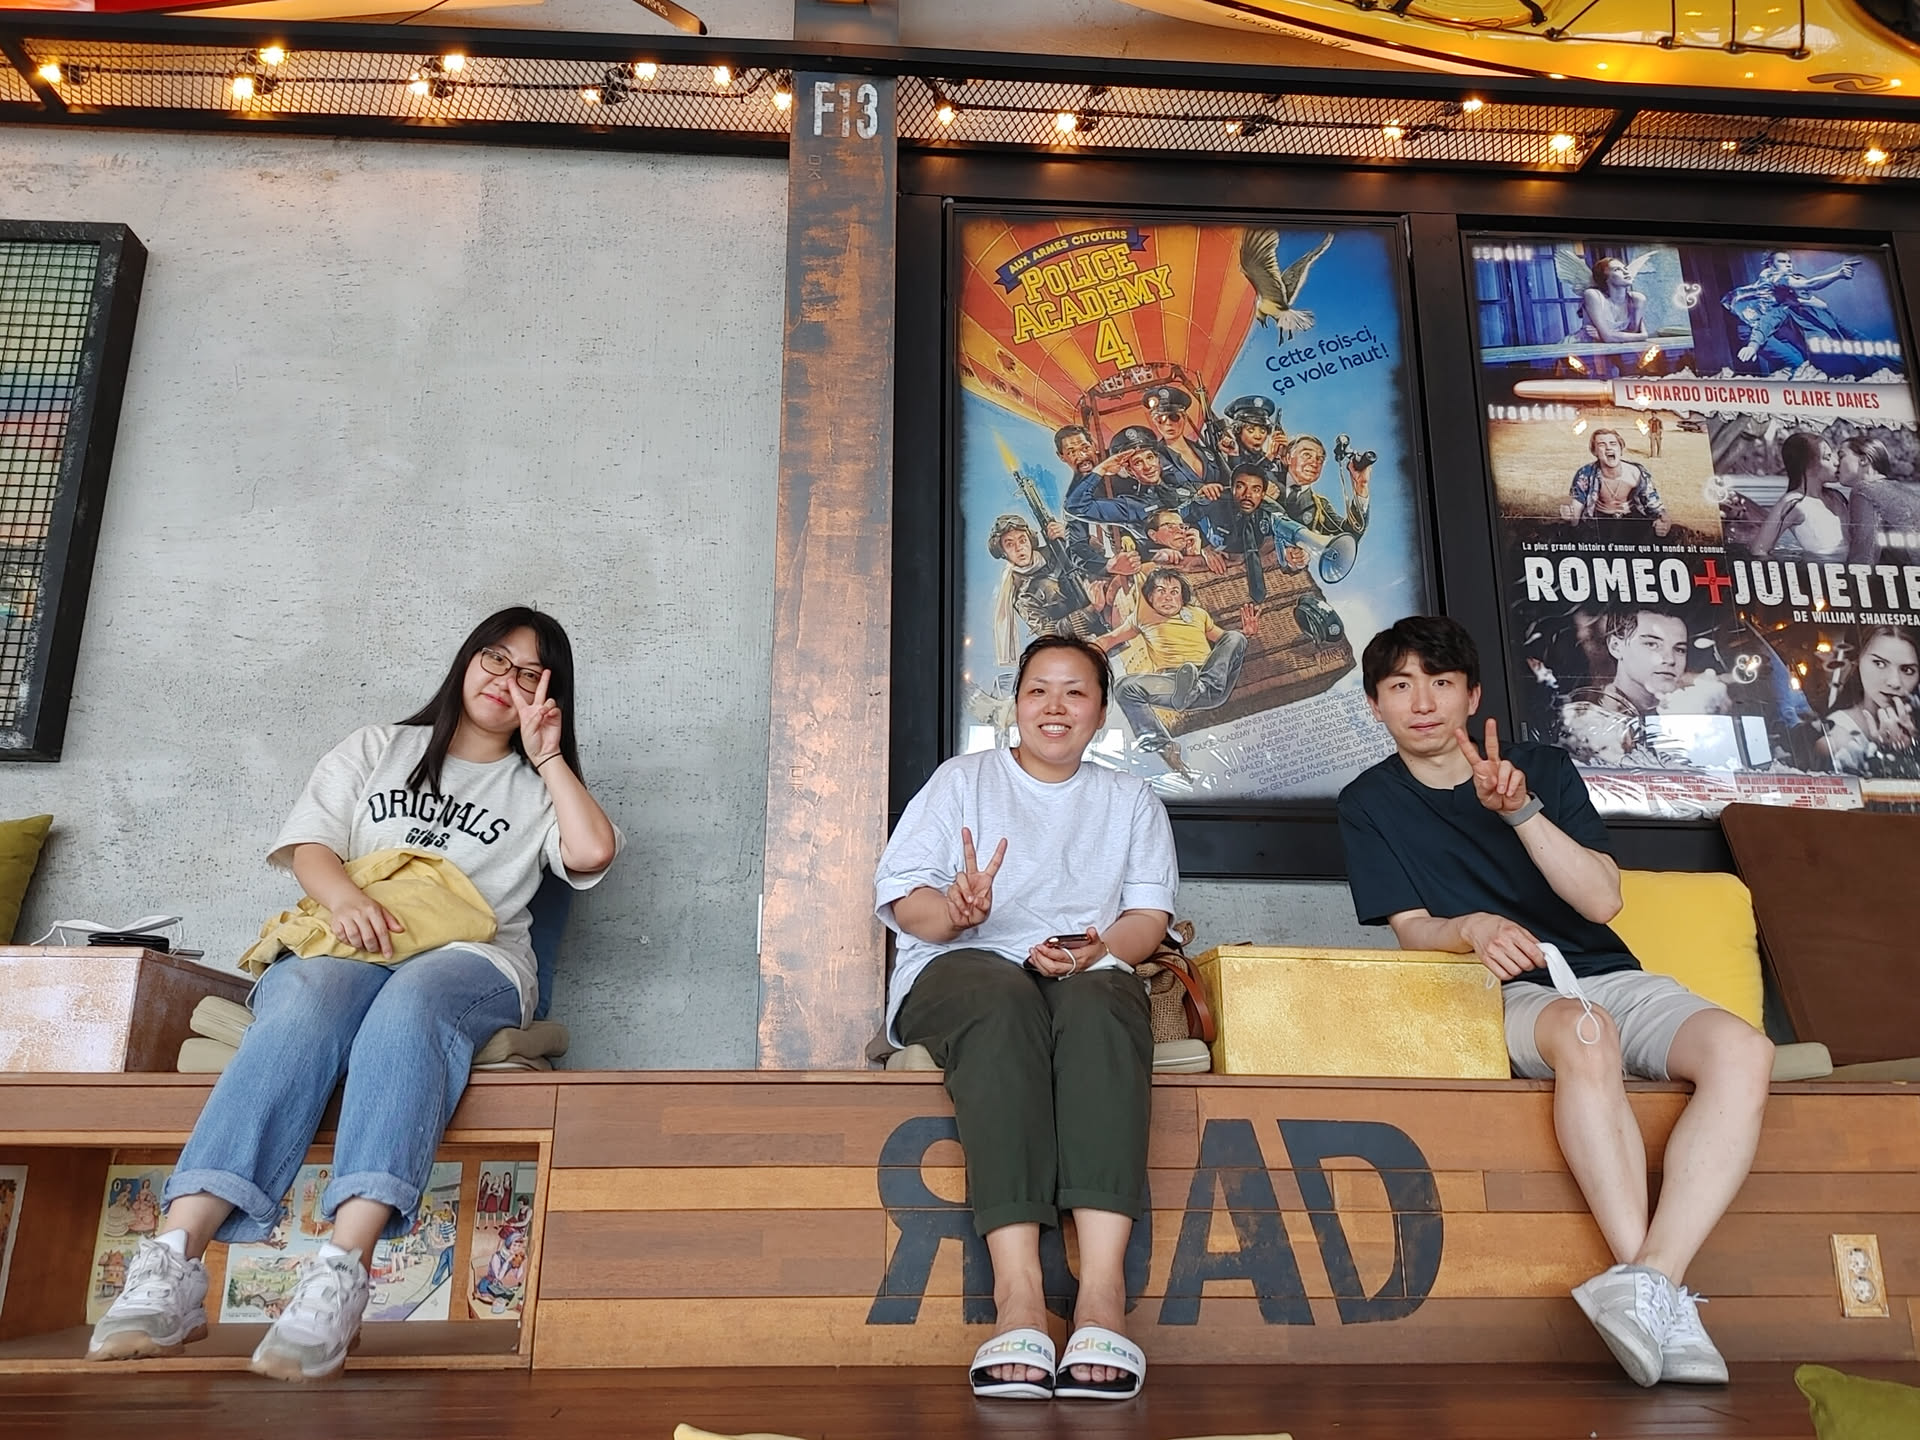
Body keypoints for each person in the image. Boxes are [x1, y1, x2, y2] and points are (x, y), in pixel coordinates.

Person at [87, 607, 622, 1381]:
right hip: (355, 943)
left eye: (529, 674)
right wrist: (342, 899)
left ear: (549, 695)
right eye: (495, 659)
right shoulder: (379, 747)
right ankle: (171, 1262)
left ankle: (339, 1275)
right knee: (301, 1001)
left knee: (411, 1006)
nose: (505, 680)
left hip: (473, 962)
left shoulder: (536, 784)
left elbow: (593, 850)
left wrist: (548, 758)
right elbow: (313, 846)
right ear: (467, 660)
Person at [1337, 616, 1773, 1389]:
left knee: (1744, 1050)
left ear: (1472, 696)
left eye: (1441, 682)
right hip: (1488, 992)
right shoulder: (1368, 801)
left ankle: (1651, 1281)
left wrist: (1521, 812)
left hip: (1601, 972)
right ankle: (1659, 1296)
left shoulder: (1540, 768)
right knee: (1585, 1031)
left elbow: (1602, 903)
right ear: (1375, 705)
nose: (1422, 702)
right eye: (1400, 686)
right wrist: (1470, 927)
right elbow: (1413, 931)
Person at [876, 635, 1176, 1402]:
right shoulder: (962, 781)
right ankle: (1018, 1298)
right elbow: (905, 902)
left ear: (1101, 712)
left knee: (1107, 1003)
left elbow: (1147, 918)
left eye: (1075, 692)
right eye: (1038, 690)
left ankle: (1101, 1298)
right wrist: (954, 911)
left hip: (1080, 968)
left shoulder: (1131, 800)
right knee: (1002, 1000)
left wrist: (1097, 953)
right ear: (1015, 705)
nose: (1054, 706)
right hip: (961, 970)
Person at [1097, 568, 1249, 760]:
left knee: (1236, 637)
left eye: (1174, 592)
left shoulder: (1198, 614)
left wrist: (1246, 633)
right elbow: (1108, 640)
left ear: (1182, 598)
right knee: (1123, 686)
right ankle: (1162, 745)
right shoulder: (1142, 617)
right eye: (1161, 591)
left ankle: (1200, 686)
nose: (1167, 597)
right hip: (1173, 684)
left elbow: (1225, 643)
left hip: (1211, 680)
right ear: (1150, 597)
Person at [988, 513, 1102, 665]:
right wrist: (1091, 610)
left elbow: (1099, 550)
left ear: (1030, 540)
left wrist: (1070, 536)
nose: (1019, 548)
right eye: (1010, 544)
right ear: (1003, 552)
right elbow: (1049, 634)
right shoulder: (1023, 596)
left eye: (1022, 540)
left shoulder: (1055, 548)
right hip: (1087, 644)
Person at [1753, 431, 1879, 566]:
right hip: (1823, 571)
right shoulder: (1793, 503)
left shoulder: (1837, 497)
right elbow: (1759, 550)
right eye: (1827, 457)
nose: (1836, 462)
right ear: (1808, 466)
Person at [1819, 625, 1919, 774]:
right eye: (1879, 664)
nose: (1894, 682)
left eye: (1907, 670)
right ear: (1858, 661)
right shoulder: (1836, 740)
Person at [1563, 429, 1672, 538]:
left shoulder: (1636, 473)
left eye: (1613, 443)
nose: (1608, 448)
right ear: (1594, 452)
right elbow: (1577, 509)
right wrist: (1570, 516)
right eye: (1602, 444)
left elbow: (1654, 504)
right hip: (1599, 523)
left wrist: (1664, 521)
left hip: (1631, 521)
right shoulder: (1585, 473)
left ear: (1620, 449)